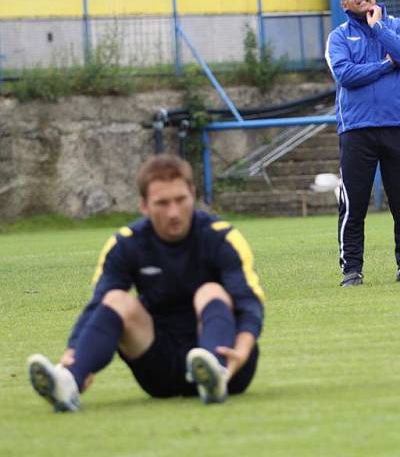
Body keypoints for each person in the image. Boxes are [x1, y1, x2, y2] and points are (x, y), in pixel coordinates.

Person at [27, 154, 265, 412]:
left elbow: (249, 304)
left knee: (210, 290)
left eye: (180, 200)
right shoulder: (126, 244)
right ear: (144, 205)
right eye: (162, 203)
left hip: (231, 367)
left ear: (193, 195)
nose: (173, 212)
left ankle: (213, 372)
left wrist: (240, 352)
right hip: (160, 368)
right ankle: (68, 382)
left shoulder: (222, 237)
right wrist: (74, 352)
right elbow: (98, 306)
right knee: (116, 299)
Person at [325, 0, 400, 287]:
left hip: (399, 125)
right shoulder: (338, 38)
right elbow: (346, 74)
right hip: (356, 130)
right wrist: (385, 65)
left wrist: (378, 27)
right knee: (353, 204)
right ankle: (351, 270)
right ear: (344, 4)